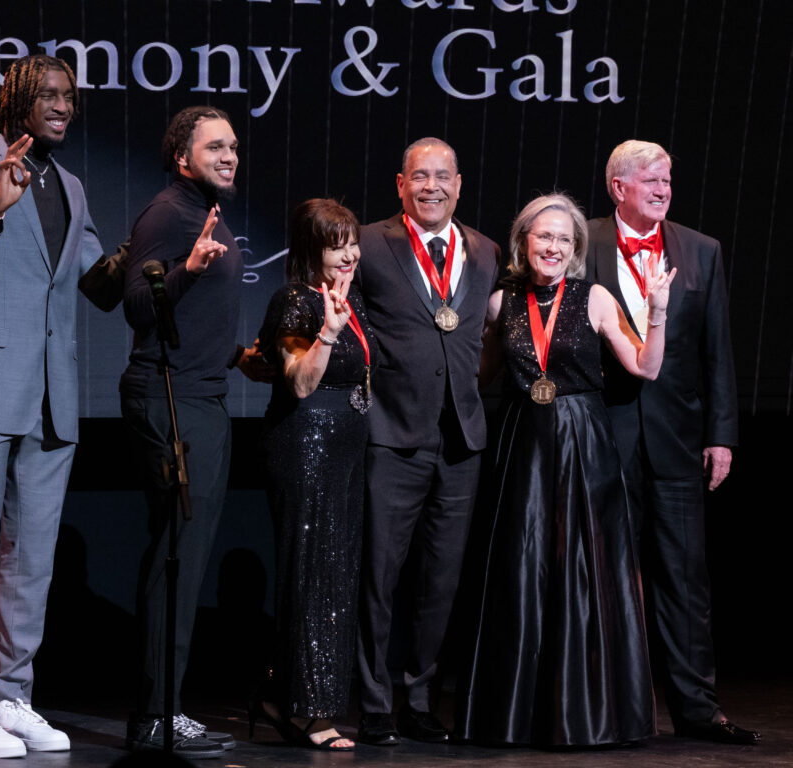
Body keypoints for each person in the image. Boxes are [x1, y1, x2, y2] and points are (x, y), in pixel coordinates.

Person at [0, 54, 120, 758]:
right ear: (18, 101)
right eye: (52, 95)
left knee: (31, 560)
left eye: (71, 95)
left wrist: (168, 260)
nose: (65, 105)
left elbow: (99, 282)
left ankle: (13, 695)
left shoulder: (71, 184)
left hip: (51, 398)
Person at [459, 193, 673, 746]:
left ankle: (589, 713)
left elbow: (645, 367)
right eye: (543, 236)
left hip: (583, 443)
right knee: (522, 573)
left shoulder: (595, 297)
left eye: (563, 238)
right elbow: (476, 378)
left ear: (574, 248)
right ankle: (514, 715)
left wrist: (660, 308)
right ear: (524, 242)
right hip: (523, 445)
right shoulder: (501, 302)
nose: (552, 246)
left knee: (583, 570)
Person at [585, 140, 760, 745]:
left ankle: (698, 709)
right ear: (618, 188)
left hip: (679, 441)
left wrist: (722, 435)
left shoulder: (701, 250)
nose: (662, 190)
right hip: (604, 436)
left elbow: (717, 350)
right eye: (650, 181)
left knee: (685, 578)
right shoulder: (583, 242)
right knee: (605, 575)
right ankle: (607, 706)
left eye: (666, 181)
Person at [121, 106, 271, 760]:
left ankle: (166, 708)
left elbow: (193, 316)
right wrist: (187, 269)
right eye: (216, 146)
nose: (230, 155)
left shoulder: (203, 214)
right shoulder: (169, 216)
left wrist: (237, 355)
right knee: (176, 556)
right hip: (172, 400)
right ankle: (154, 715)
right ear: (182, 156)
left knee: (185, 554)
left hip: (203, 395)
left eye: (234, 146)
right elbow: (135, 305)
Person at [355, 138, 500, 745]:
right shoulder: (367, 243)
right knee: (379, 578)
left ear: (460, 184)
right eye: (420, 177)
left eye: (443, 177)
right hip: (391, 434)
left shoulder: (488, 251)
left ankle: (419, 698)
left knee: (440, 581)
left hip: (461, 440)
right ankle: (372, 702)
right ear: (400, 183)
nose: (432, 187)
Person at [252, 199, 377, 751]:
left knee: (335, 572)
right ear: (310, 250)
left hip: (346, 450)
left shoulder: (346, 297)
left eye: (352, 241)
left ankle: (287, 698)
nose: (349, 253)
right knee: (312, 575)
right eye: (336, 244)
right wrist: (327, 333)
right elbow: (300, 383)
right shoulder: (295, 302)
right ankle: (307, 710)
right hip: (307, 447)